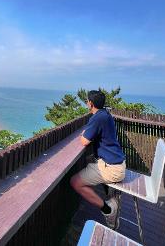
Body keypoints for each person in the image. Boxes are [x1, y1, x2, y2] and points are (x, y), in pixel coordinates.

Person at [70, 90, 126, 229]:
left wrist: (83, 134)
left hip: (112, 169)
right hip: (116, 163)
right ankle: (110, 193)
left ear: (90, 103)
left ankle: (108, 210)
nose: (87, 103)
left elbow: (84, 141)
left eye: (87, 101)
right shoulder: (105, 114)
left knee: (75, 182)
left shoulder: (97, 118)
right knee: (91, 160)